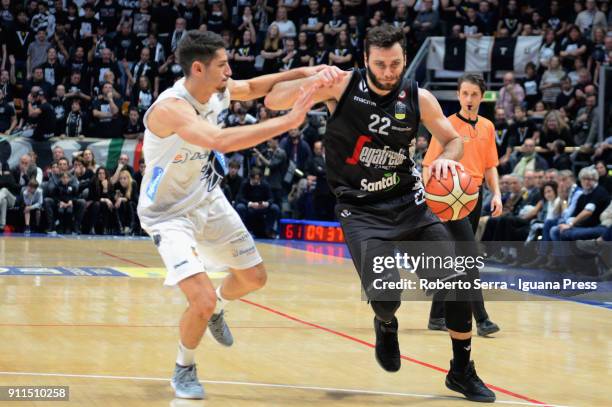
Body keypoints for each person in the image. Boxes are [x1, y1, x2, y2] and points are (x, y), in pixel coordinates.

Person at [265, 24, 495, 402]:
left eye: (395, 63)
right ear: (365, 61)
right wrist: (310, 79)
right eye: (381, 64)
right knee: (387, 297)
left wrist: (446, 162)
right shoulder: (340, 85)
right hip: (360, 210)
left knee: (457, 284)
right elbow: (274, 101)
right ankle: (386, 324)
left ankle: (461, 372)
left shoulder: (417, 98)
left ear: (405, 59)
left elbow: (452, 140)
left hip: (410, 204)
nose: (389, 72)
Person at [137, 30, 330, 400]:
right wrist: (290, 121)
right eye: (223, 65)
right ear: (198, 67)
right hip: (167, 215)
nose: (230, 71)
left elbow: (257, 85)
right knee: (202, 297)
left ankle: (218, 310)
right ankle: (184, 367)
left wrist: (310, 71)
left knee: (254, 277)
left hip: (207, 198)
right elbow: (220, 142)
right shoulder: (171, 107)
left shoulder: (217, 90)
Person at [422, 74, 502, 337]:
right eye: (464, 94)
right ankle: (482, 319)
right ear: (458, 95)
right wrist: (433, 202)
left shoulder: (488, 127)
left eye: (474, 94)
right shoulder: (446, 126)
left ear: (482, 96)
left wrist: (497, 195)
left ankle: (436, 317)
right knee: (469, 258)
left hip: (474, 195)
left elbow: (490, 166)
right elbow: (427, 166)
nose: (469, 99)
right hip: (450, 197)